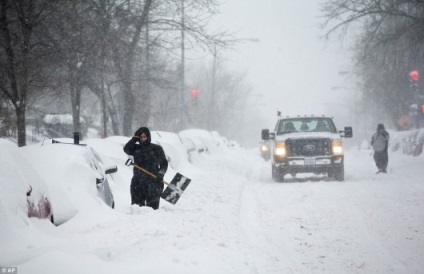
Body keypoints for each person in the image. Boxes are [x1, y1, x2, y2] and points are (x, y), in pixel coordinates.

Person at [123, 127, 168, 210]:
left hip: (153, 182)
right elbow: (126, 149)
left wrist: (161, 174)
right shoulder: (136, 148)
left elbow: (164, 163)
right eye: (141, 137)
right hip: (138, 183)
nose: (143, 139)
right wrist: (134, 139)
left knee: (152, 210)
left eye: (145, 136)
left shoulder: (156, 148)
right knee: (137, 209)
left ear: (148, 137)